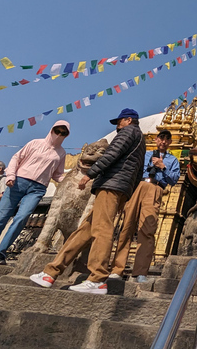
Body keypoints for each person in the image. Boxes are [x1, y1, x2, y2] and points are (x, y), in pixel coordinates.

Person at [30, 108, 146, 294]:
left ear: (129, 120)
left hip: (111, 185)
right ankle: (50, 272)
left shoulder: (128, 132)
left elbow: (111, 155)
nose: (117, 126)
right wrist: (128, 193)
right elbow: (139, 172)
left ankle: (98, 278)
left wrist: (90, 174)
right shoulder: (141, 142)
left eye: (120, 121)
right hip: (121, 188)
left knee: (102, 229)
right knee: (84, 230)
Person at [0, 121, 70, 264]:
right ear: (52, 130)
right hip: (18, 182)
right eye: (57, 131)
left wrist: (73, 179)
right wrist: (11, 176)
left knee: (21, 218)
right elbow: (16, 158)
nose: (59, 135)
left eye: (63, 133)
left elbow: (57, 174)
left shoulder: (61, 153)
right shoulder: (35, 143)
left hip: (38, 188)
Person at [110, 129, 180, 283]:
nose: (163, 141)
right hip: (138, 185)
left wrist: (163, 166)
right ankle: (117, 269)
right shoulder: (145, 154)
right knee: (126, 227)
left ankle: (140, 272)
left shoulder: (173, 160)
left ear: (170, 142)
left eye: (167, 139)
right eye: (161, 138)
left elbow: (174, 179)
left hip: (155, 188)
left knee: (148, 230)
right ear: (156, 139)